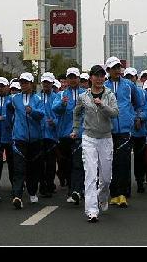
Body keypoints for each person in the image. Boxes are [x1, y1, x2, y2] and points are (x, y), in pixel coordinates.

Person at [71, 65, 119, 223]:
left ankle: (102, 197)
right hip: (89, 138)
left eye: (101, 76)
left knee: (106, 177)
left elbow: (115, 113)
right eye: (96, 76)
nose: (99, 79)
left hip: (105, 137)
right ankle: (91, 210)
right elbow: (76, 112)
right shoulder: (83, 97)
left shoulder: (109, 94)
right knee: (90, 174)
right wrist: (75, 129)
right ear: (91, 78)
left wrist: (102, 105)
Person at [104, 56, 143, 207]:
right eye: (113, 68)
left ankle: (122, 193)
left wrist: (135, 116)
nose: (116, 70)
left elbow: (138, 103)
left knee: (124, 161)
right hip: (108, 129)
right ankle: (113, 194)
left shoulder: (128, 85)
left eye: (118, 67)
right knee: (110, 162)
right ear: (107, 70)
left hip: (125, 129)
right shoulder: (104, 86)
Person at [7, 72, 45, 209]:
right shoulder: (14, 98)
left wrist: (32, 111)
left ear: (32, 84)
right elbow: (7, 108)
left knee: (33, 168)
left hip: (35, 139)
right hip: (19, 138)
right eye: (22, 82)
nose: (23, 85)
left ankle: (32, 192)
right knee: (18, 168)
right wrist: (12, 123)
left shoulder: (37, 99)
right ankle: (17, 195)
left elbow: (42, 114)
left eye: (26, 82)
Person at [52, 67, 86, 204]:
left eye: (75, 77)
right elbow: (55, 110)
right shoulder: (61, 95)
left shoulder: (86, 94)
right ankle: (73, 189)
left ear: (79, 79)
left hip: (80, 135)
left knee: (78, 163)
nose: (72, 80)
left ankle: (76, 190)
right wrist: (62, 104)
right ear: (67, 79)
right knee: (66, 165)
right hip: (64, 135)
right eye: (70, 77)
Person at [123, 67, 147, 194]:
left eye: (132, 77)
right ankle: (126, 186)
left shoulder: (143, 93)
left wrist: (140, 118)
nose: (130, 79)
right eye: (127, 77)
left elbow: (146, 109)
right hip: (126, 130)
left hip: (139, 131)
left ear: (136, 78)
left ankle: (140, 181)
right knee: (125, 159)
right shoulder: (121, 91)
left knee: (140, 158)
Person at [39, 72, 58, 198]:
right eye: (44, 82)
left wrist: (54, 122)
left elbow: (61, 114)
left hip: (51, 135)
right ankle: (42, 185)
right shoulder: (36, 97)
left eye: (48, 82)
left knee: (51, 163)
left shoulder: (56, 97)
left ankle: (50, 185)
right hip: (38, 135)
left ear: (52, 84)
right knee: (40, 162)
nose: (46, 84)